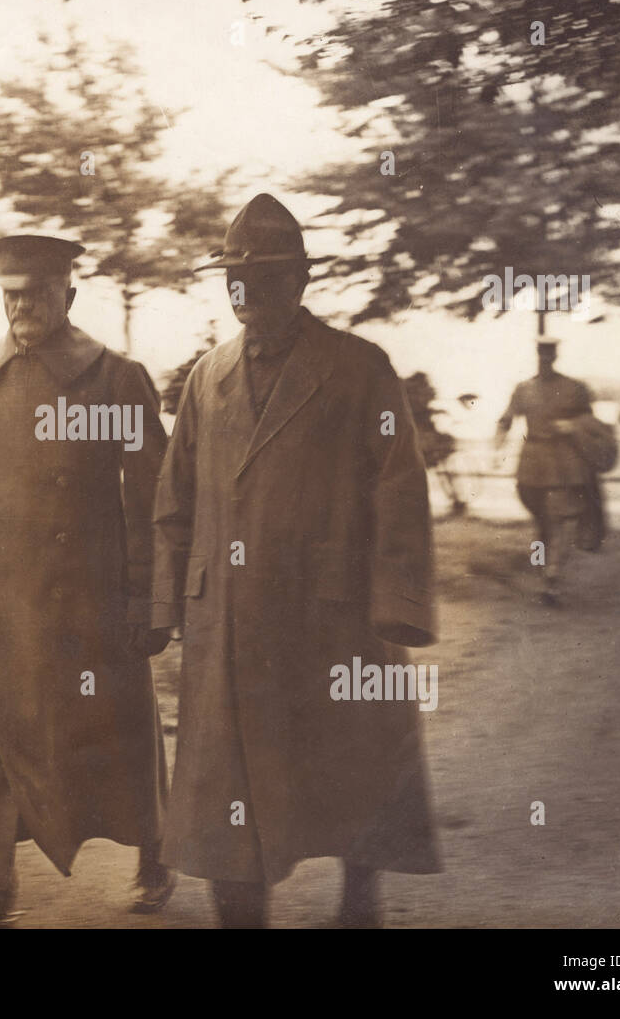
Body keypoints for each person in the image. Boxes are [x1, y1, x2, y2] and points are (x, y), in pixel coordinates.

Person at [152, 193, 441, 929]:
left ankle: (359, 897)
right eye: (235, 278)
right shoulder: (205, 378)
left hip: (332, 613)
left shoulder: (357, 368)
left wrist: (398, 602)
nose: (248, 292)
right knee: (227, 782)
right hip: (228, 620)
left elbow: (401, 486)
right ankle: (241, 911)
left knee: (353, 765)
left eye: (270, 275)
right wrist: (163, 606)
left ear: (302, 280)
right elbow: (174, 500)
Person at [0, 234, 175, 927]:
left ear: (70, 295)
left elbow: (153, 503)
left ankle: (156, 850)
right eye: (12, 292)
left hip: (86, 605)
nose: (23, 305)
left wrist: (149, 600)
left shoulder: (116, 379)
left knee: (114, 734)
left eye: (39, 292)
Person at [495, 337, 594, 606]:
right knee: (542, 525)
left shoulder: (573, 388)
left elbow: (590, 421)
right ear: (537, 355)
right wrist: (497, 447)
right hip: (531, 465)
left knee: (558, 521)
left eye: (550, 354)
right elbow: (506, 419)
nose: (546, 359)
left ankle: (552, 578)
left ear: (556, 356)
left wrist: (573, 425)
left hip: (564, 463)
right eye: (542, 354)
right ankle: (545, 575)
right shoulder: (524, 389)